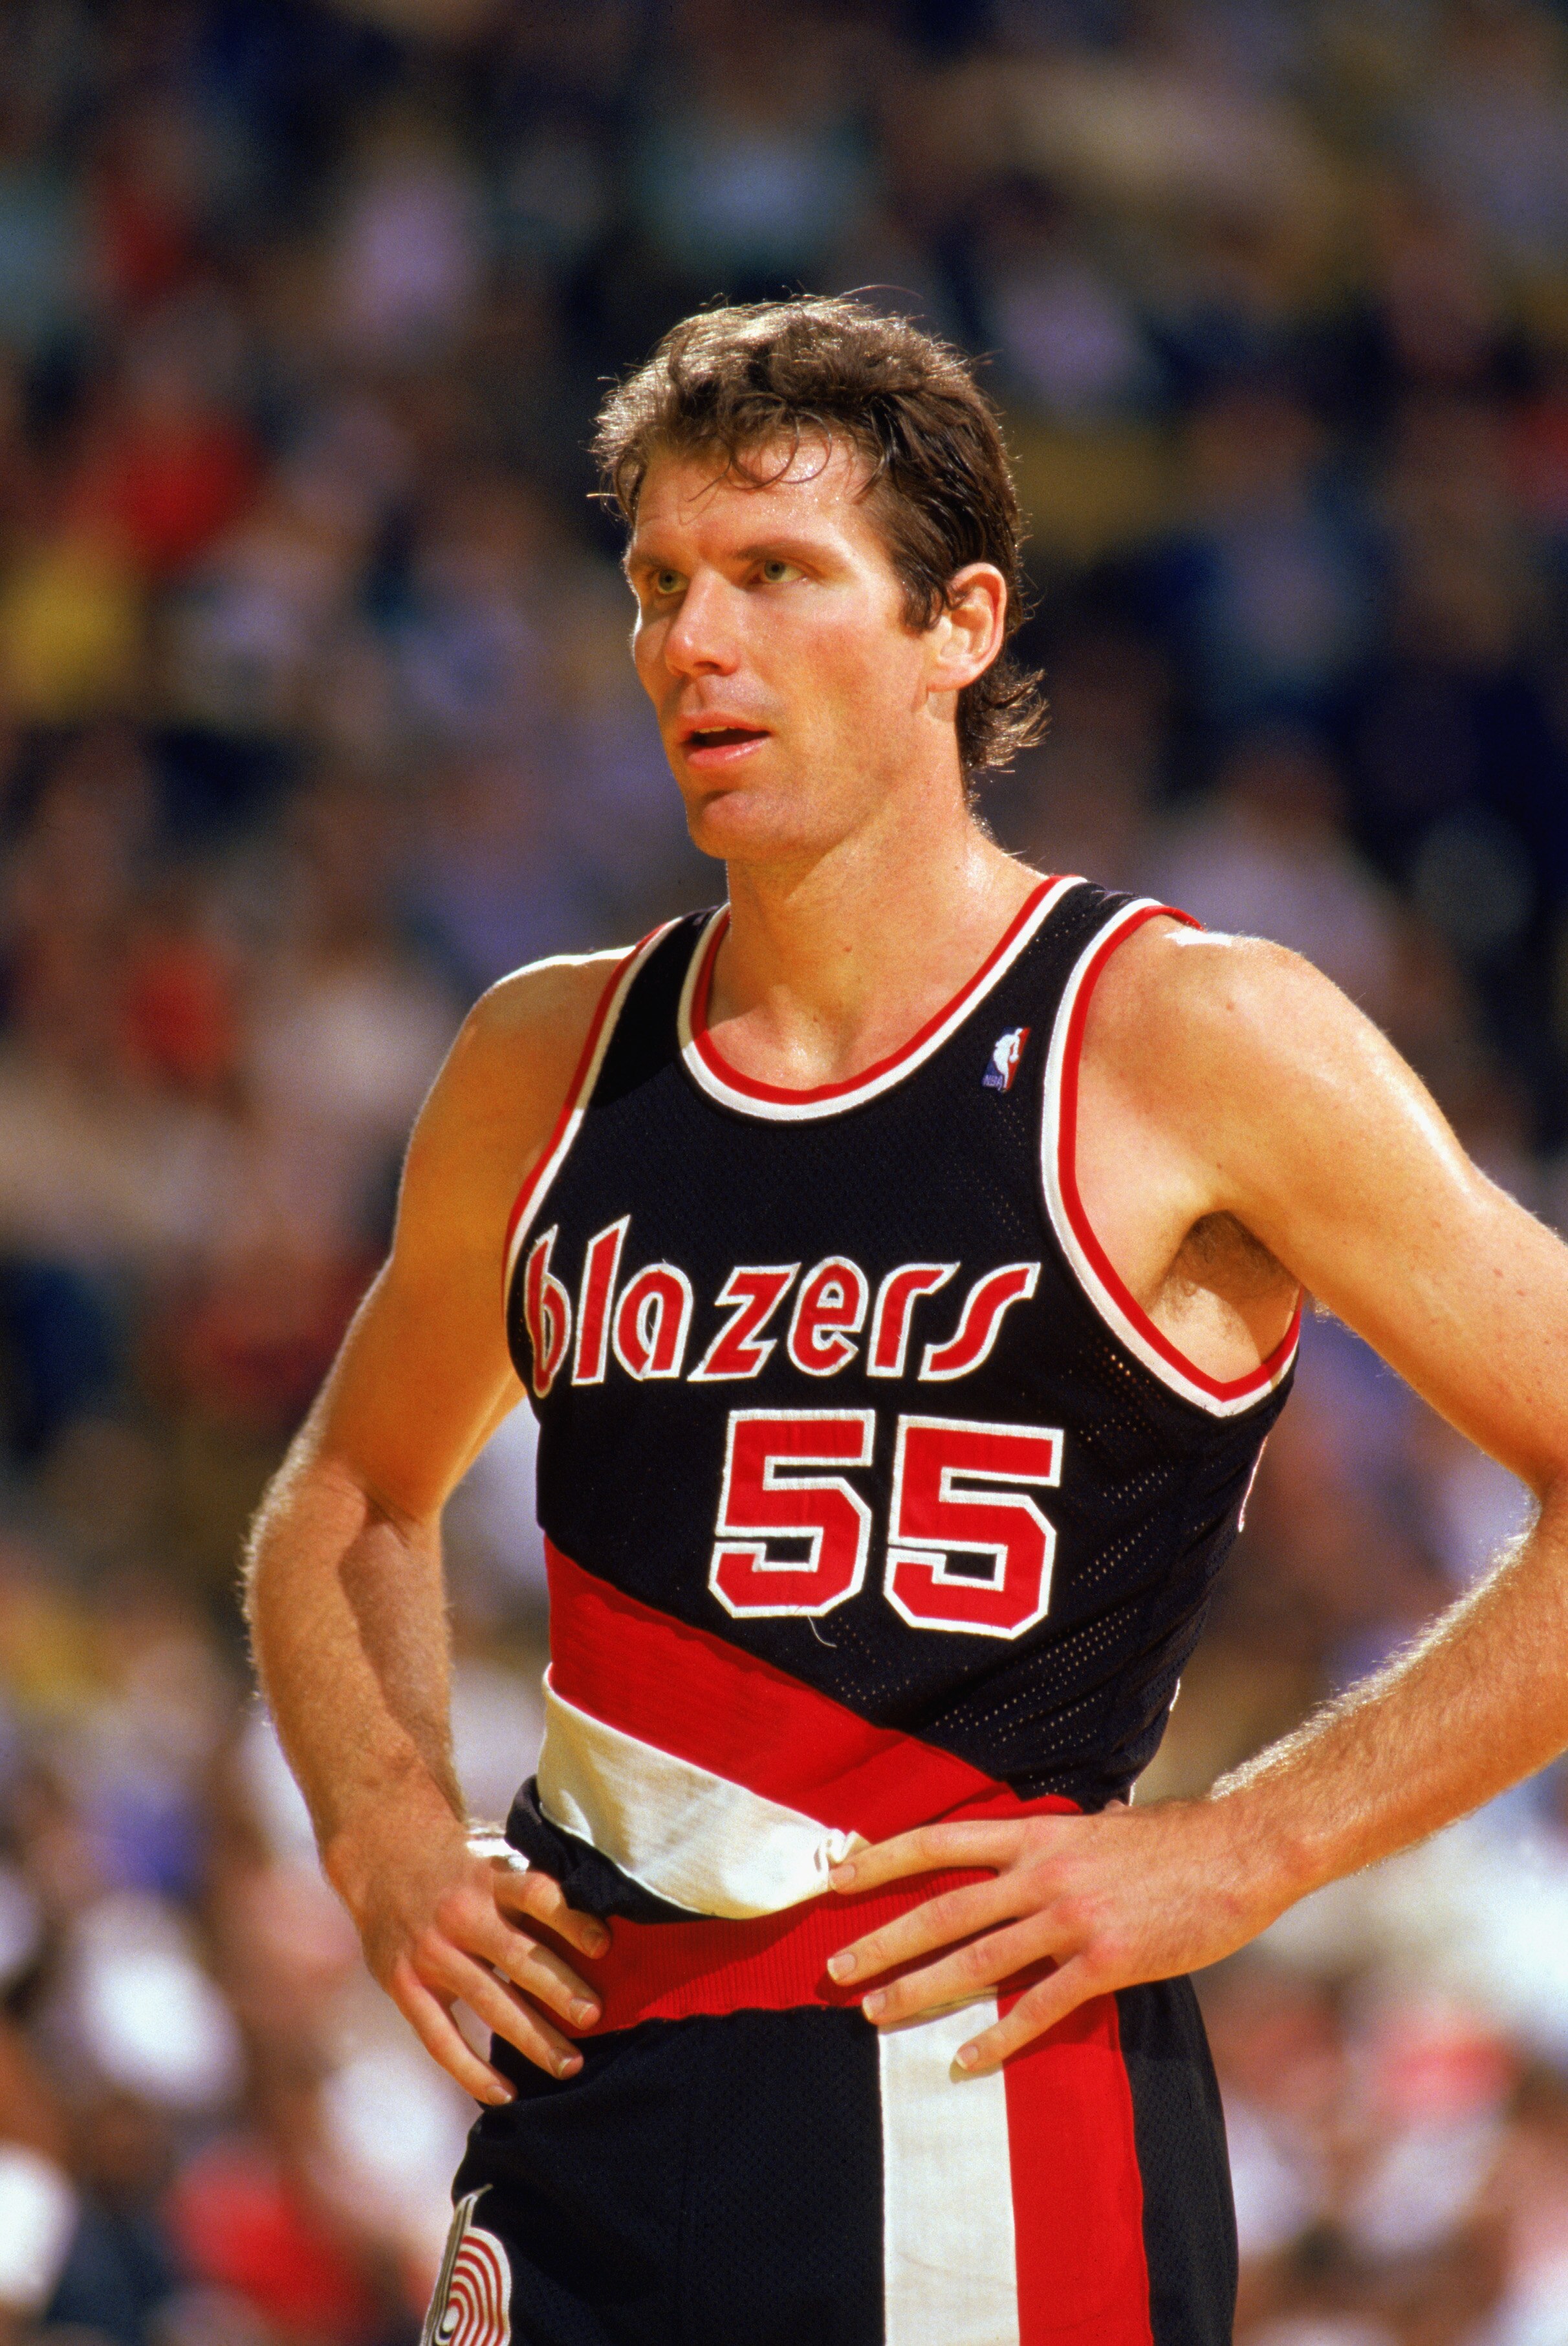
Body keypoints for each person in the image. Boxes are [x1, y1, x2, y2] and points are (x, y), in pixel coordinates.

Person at [245, 298, 1568, 2346]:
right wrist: (386, 1821)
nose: (696, 643)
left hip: (982, 2103)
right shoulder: (545, 1055)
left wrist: (1251, 1847)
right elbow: (346, 1493)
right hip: (583, 2098)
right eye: (661, 583)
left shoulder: (1184, 1035)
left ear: (960, 622)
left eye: (776, 576)